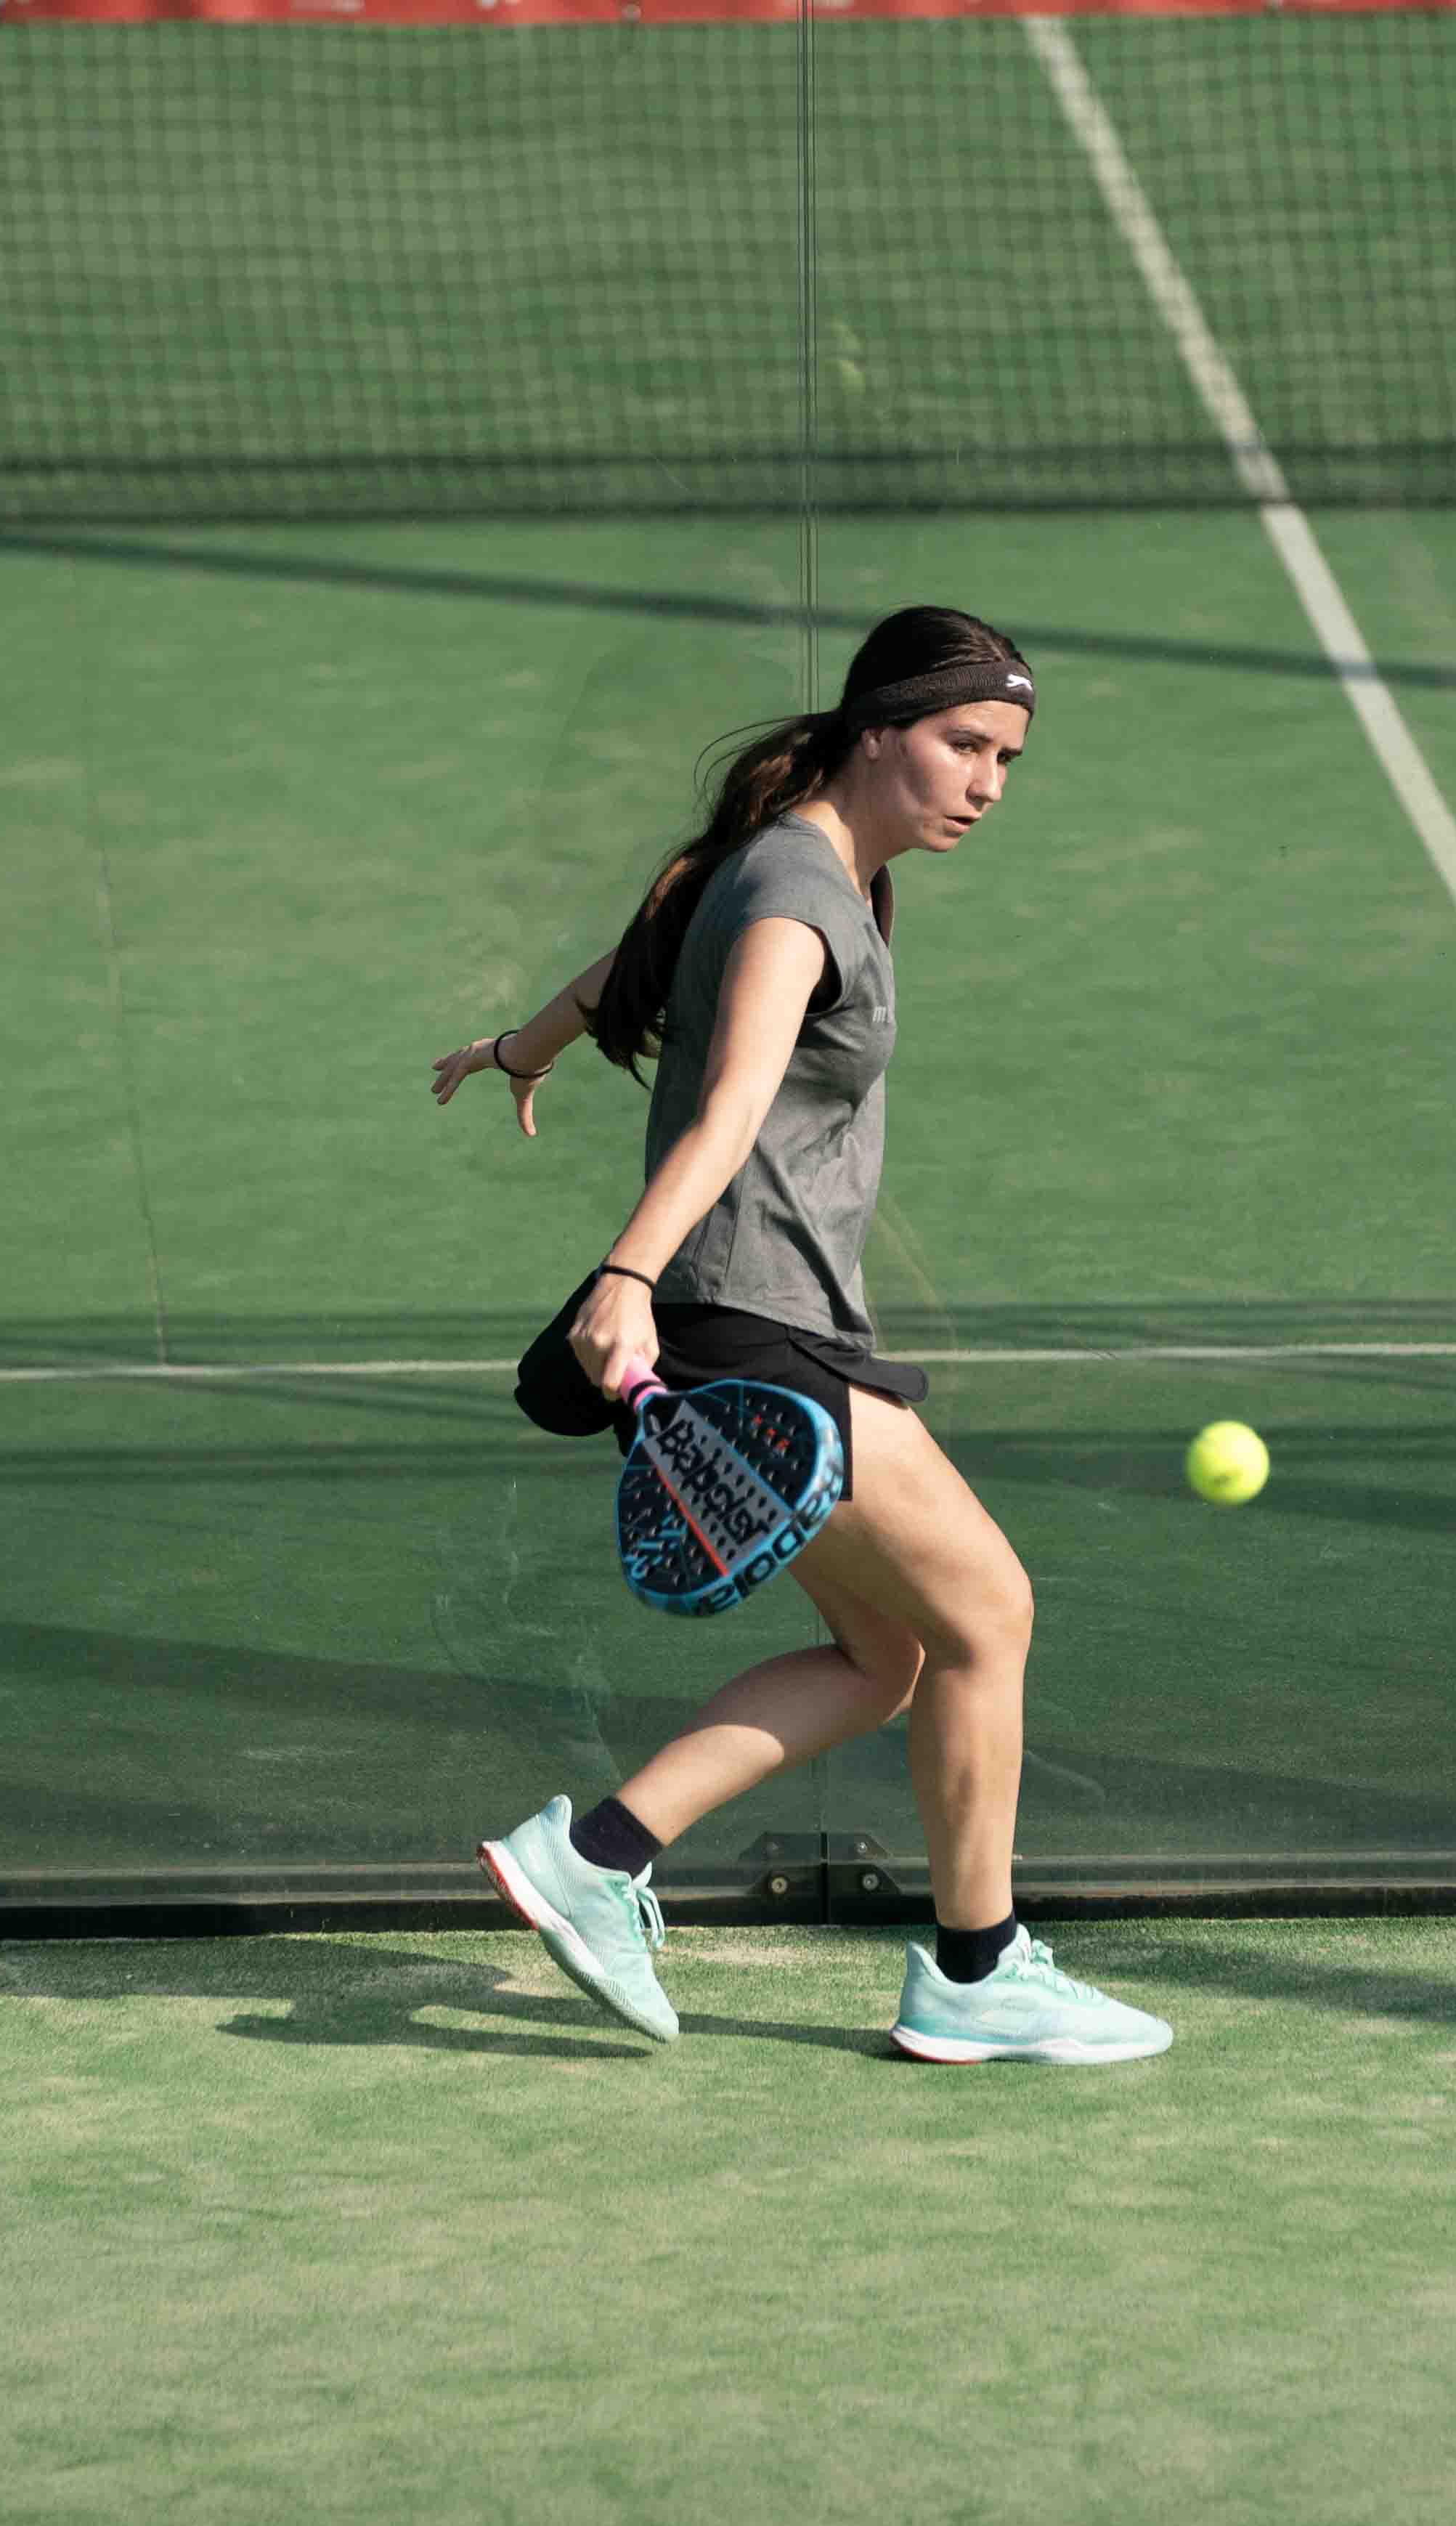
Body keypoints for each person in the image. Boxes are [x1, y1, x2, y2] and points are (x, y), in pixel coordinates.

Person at [427, 606, 1171, 2066]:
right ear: (875, 730)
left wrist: (524, 1046)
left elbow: (636, 963)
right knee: (991, 1613)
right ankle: (976, 1971)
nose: (987, 782)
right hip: (750, 1318)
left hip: (760, 1315)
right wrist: (626, 1274)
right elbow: (734, 1103)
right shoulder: (797, 892)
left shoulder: (792, 868)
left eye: (1007, 758)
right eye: (962, 743)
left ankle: (597, 1854)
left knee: (886, 1655)